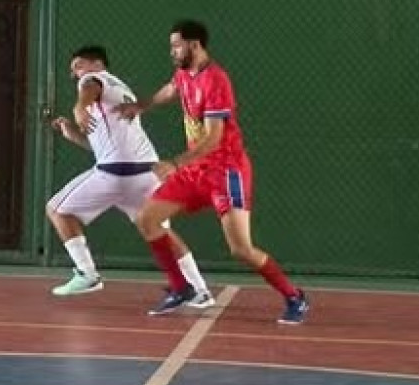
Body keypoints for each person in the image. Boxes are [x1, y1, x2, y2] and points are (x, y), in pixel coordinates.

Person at [118, 19, 310, 324]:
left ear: (194, 45)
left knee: (242, 249)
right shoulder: (184, 72)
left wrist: (175, 163)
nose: (172, 51)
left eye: (176, 45)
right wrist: (141, 106)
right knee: (147, 218)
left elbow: (213, 139)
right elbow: (171, 89)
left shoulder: (216, 81)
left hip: (226, 171)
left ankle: (294, 296)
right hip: (196, 170)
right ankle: (181, 288)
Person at [46, 44, 211, 305]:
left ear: (97, 64)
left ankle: (87, 274)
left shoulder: (94, 79)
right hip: (144, 172)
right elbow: (102, 148)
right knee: (160, 231)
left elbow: (89, 89)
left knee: (56, 209)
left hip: (116, 174)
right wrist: (72, 133)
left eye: (77, 66)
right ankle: (199, 290)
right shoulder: (121, 91)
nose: (76, 74)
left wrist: (79, 108)